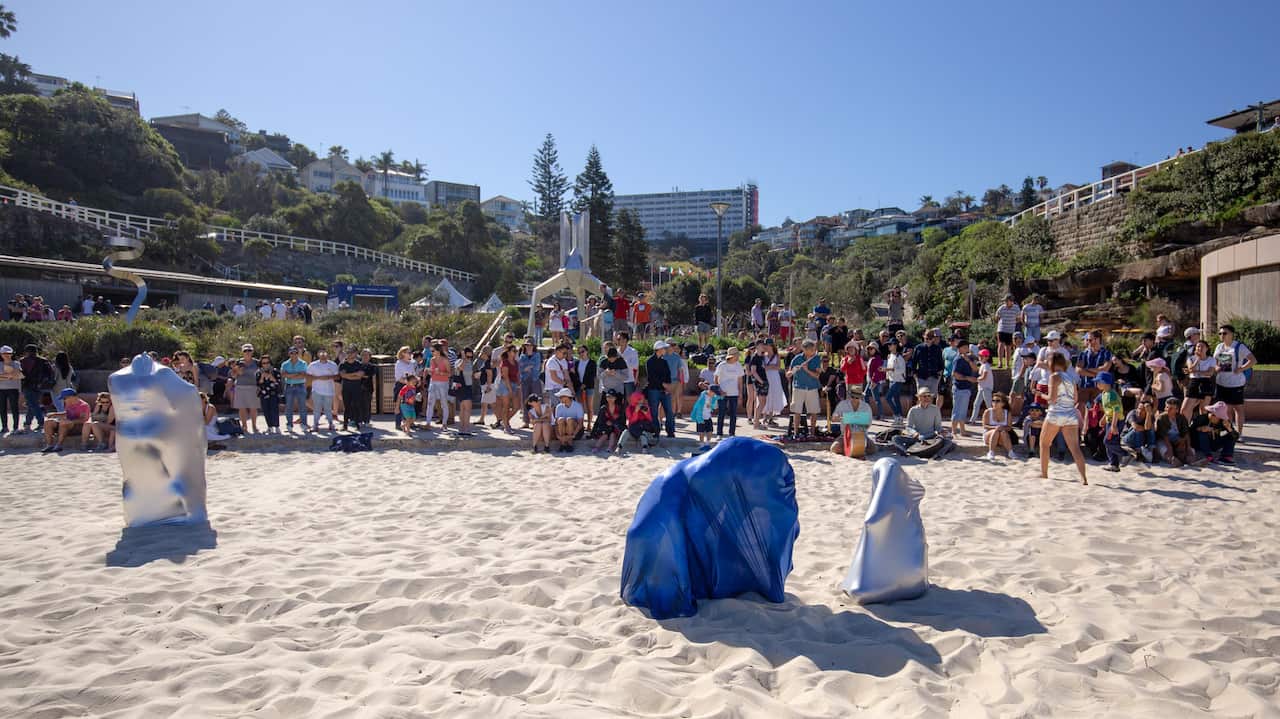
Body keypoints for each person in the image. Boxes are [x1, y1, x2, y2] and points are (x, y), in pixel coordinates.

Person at [1040, 353, 1088, 484]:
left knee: (1044, 444)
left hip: (1056, 413)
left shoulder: (1054, 376)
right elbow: (1075, 399)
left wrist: (1041, 395)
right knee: (1075, 448)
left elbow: (1052, 399)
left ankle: (1044, 474)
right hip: (1070, 414)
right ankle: (1083, 478)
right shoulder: (1071, 378)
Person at [1213, 324, 1254, 434]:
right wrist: (1216, 367)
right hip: (1221, 382)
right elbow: (1215, 361)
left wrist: (1241, 368)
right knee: (1226, 409)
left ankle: (1239, 433)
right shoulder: (1219, 347)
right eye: (1220, 333)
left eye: (1224, 333)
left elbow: (1253, 360)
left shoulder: (1239, 346)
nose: (1222, 335)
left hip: (1236, 384)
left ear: (1231, 334)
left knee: (1238, 409)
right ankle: (1230, 432)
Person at [1075, 331, 1113, 424]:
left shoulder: (1106, 353)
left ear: (1097, 339)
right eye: (1087, 340)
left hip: (1099, 386)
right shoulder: (1084, 353)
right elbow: (1078, 370)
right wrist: (1096, 374)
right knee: (1080, 407)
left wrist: (1086, 370)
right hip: (1084, 385)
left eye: (1090, 340)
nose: (1088, 342)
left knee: (1098, 409)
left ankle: (1097, 429)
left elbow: (1105, 369)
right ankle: (1081, 428)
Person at [787, 339, 823, 436]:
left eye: (814, 349)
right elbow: (788, 374)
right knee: (797, 411)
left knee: (814, 411)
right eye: (812, 349)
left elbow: (817, 375)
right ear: (805, 349)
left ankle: (812, 433)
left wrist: (807, 370)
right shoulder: (797, 359)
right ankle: (796, 433)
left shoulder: (816, 358)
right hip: (799, 387)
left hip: (812, 387)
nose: (814, 351)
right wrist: (792, 372)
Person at [893, 387, 943, 455]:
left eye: (929, 396)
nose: (927, 398)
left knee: (947, 442)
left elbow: (938, 426)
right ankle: (906, 452)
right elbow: (908, 427)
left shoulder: (935, 409)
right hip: (917, 437)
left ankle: (935, 453)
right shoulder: (913, 410)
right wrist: (915, 433)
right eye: (924, 396)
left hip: (931, 437)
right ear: (919, 398)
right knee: (895, 438)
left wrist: (940, 432)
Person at [41, 388, 89, 453]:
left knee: (63, 423)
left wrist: (71, 421)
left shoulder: (83, 405)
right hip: (67, 423)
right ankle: (49, 445)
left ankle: (59, 445)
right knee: (48, 422)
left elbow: (84, 419)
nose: (64, 400)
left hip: (77, 426)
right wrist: (55, 414)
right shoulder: (68, 403)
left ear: (71, 397)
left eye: (64, 398)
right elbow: (67, 413)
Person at [1191, 401, 1238, 465]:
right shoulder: (1201, 418)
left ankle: (1226, 456)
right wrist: (1200, 428)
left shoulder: (1223, 421)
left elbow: (1236, 436)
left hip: (1214, 443)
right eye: (1212, 414)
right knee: (1203, 433)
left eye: (1216, 416)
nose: (1212, 416)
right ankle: (1208, 456)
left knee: (1231, 435)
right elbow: (1190, 431)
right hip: (1199, 444)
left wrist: (1229, 429)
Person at [644, 341, 675, 438]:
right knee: (654, 412)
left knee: (669, 411)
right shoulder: (649, 361)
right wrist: (663, 384)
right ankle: (656, 431)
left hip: (664, 391)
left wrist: (668, 386)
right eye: (664, 348)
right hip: (654, 390)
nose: (665, 350)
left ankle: (670, 431)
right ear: (659, 349)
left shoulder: (664, 362)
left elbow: (668, 375)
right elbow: (651, 377)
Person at [829, 389, 873, 456]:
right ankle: (852, 450)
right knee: (834, 448)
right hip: (845, 435)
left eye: (857, 397)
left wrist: (861, 424)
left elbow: (869, 423)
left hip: (861, 435)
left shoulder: (866, 406)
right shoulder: (842, 404)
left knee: (873, 449)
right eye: (852, 397)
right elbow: (833, 419)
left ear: (860, 397)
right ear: (849, 396)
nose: (854, 399)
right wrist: (838, 417)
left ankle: (853, 450)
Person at [1181, 339, 1216, 420]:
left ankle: (1202, 425)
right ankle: (1185, 425)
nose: (1199, 348)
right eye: (1197, 346)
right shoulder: (1191, 358)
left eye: (1202, 346)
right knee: (1185, 409)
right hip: (1194, 381)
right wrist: (1198, 359)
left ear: (1207, 348)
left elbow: (1210, 373)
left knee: (1203, 409)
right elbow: (1191, 368)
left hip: (1206, 382)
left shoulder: (1211, 359)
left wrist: (1196, 371)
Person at [714, 346, 745, 437]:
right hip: (722, 393)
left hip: (734, 393)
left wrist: (740, 393)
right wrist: (719, 390)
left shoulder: (738, 365)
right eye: (737, 355)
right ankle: (719, 433)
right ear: (733, 356)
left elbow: (740, 380)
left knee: (733, 414)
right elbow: (716, 378)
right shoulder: (722, 365)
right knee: (721, 413)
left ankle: (732, 433)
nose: (738, 357)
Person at [306, 349, 339, 432]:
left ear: (327, 354)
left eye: (324, 352)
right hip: (316, 391)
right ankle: (315, 425)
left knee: (328, 409)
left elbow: (337, 376)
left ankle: (331, 424)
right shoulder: (313, 365)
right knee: (317, 409)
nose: (323, 354)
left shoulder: (333, 364)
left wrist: (329, 377)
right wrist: (318, 378)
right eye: (321, 353)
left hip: (329, 391)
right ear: (318, 354)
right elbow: (308, 376)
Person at [230, 344, 260, 432]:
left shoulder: (257, 362)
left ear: (252, 351)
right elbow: (233, 375)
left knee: (253, 408)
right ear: (242, 352)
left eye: (249, 350)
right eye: (245, 351)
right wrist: (237, 371)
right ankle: (244, 426)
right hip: (240, 386)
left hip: (253, 386)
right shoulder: (238, 362)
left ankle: (254, 426)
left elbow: (261, 374)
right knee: (242, 408)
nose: (247, 352)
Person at [1155, 397, 1191, 467]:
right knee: (1166, 451)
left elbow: (1186, 433)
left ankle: (1188, 460)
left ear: (1177, 410)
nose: (1168, 410)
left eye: (1171, 408)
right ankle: (1172, 460)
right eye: (1167, 407)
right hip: (1164, 440)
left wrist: (1188, 446)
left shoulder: (1181, 418)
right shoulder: (1161, 418)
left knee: (1187, 450)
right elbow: (1164, 435)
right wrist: (1170, 448)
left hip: (1177, 439)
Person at [949, 343, 976, 437]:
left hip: (966, 388)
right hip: (959, 388)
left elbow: (975, 369)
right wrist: (968, 378)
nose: (966, 348)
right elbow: (954, 374)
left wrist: (968, 360)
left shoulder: (969, 358)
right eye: (964, 347)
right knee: (957, 410)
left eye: (967, 347)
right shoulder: (958, 359)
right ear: (959, 349)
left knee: (963, 411)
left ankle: (962, 430)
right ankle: (954, 431)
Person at [281, 347, 309, 432]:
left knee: (302, 406)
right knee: (289, 406)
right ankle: (289, 424)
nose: (294, 354)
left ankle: (303, 424)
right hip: (289, 386)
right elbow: (283, 375)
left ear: (298, 353)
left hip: (300, 385)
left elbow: (303, 375)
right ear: (289, 354)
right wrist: (297, 374)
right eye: (291, 353)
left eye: (295, 353)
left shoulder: (303, 363)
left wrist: (290, 375)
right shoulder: (285, 364)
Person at [981, 392, 1015, 460]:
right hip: (989, 435)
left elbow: (1009, 427)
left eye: (997, 401)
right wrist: (995, 428)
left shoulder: (1007, 413)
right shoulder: (988, 412)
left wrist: (1002, 428)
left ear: (1003, 403)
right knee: (995, 431)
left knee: (1003, 432)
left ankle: (1011, 452)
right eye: (993, 401)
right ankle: (991, 452)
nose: (995, 403)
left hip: (1002, 436)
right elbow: (985, 426)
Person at [911, 330, 944, 397]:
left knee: (932, 398)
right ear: (923, 337)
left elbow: (941, 364)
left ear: (933, 338)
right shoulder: (918, 348)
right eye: (926, 338)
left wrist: (938, 379)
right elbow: (914, 363)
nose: (928, 340)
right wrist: (916, 378)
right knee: (921, 398)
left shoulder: (937, 348)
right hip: (921, 378)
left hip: (934, 377)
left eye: (930, 338)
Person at [552, 387, 584, 452]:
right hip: (563, 430)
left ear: (566, 397)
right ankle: (562, 443)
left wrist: (573, 435)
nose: (559, 398)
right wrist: (557, 435)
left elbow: (580, 424)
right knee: (560, 419)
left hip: (576, 432)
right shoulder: (559, 406)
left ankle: (570, 443)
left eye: (561, 397)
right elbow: (556, 423)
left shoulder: (578, 406)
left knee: (569, 420)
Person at [257, 354, 282, 434]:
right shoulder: (259, 372)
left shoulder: (275, 371)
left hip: (273, 393)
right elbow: (258, 384)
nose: (266, 364)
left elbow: (279, 383)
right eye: (264, 363)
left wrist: (272, 378)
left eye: (267, 362)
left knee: (274, 410)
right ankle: (269, 426)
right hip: (263, 394)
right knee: (266, 410)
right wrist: (262, 377)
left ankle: (277, 427)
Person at [994, 295, 1020, 369]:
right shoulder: (1002, 308)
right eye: (1005, 301)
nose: (1005, 302)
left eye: (1006, 301)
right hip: (1002, 329)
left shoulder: (1016, 308)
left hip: (1010, 330)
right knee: (1001, 345)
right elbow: (996, 317)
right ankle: (1000, 362)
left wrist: (1012, 323)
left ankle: (1007, 364)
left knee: (1008, 347)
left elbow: (1018, 318)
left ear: (1011, 301)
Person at [969, 349, 995, 423]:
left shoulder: (986, 366)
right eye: (979, 356)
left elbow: (984, 376)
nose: (980, 357)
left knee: (989, 405)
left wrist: (976, 379)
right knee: (976, 404)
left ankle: (993, 420)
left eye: (981, 356)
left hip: (986, 388)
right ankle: (972, 420)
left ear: (987, 357)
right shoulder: (983, 365)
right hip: (981, 388)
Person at [0, 345, 21, 434]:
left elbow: (19, 375)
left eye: (8, 353)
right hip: (1, 389)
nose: (7, 355)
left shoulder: (16, 364)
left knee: (14, 408)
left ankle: (15, 427)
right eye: (4, 353)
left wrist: (4, 376)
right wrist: (9, 376)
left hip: (13, 388)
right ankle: (4, 427)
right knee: (2, 409)